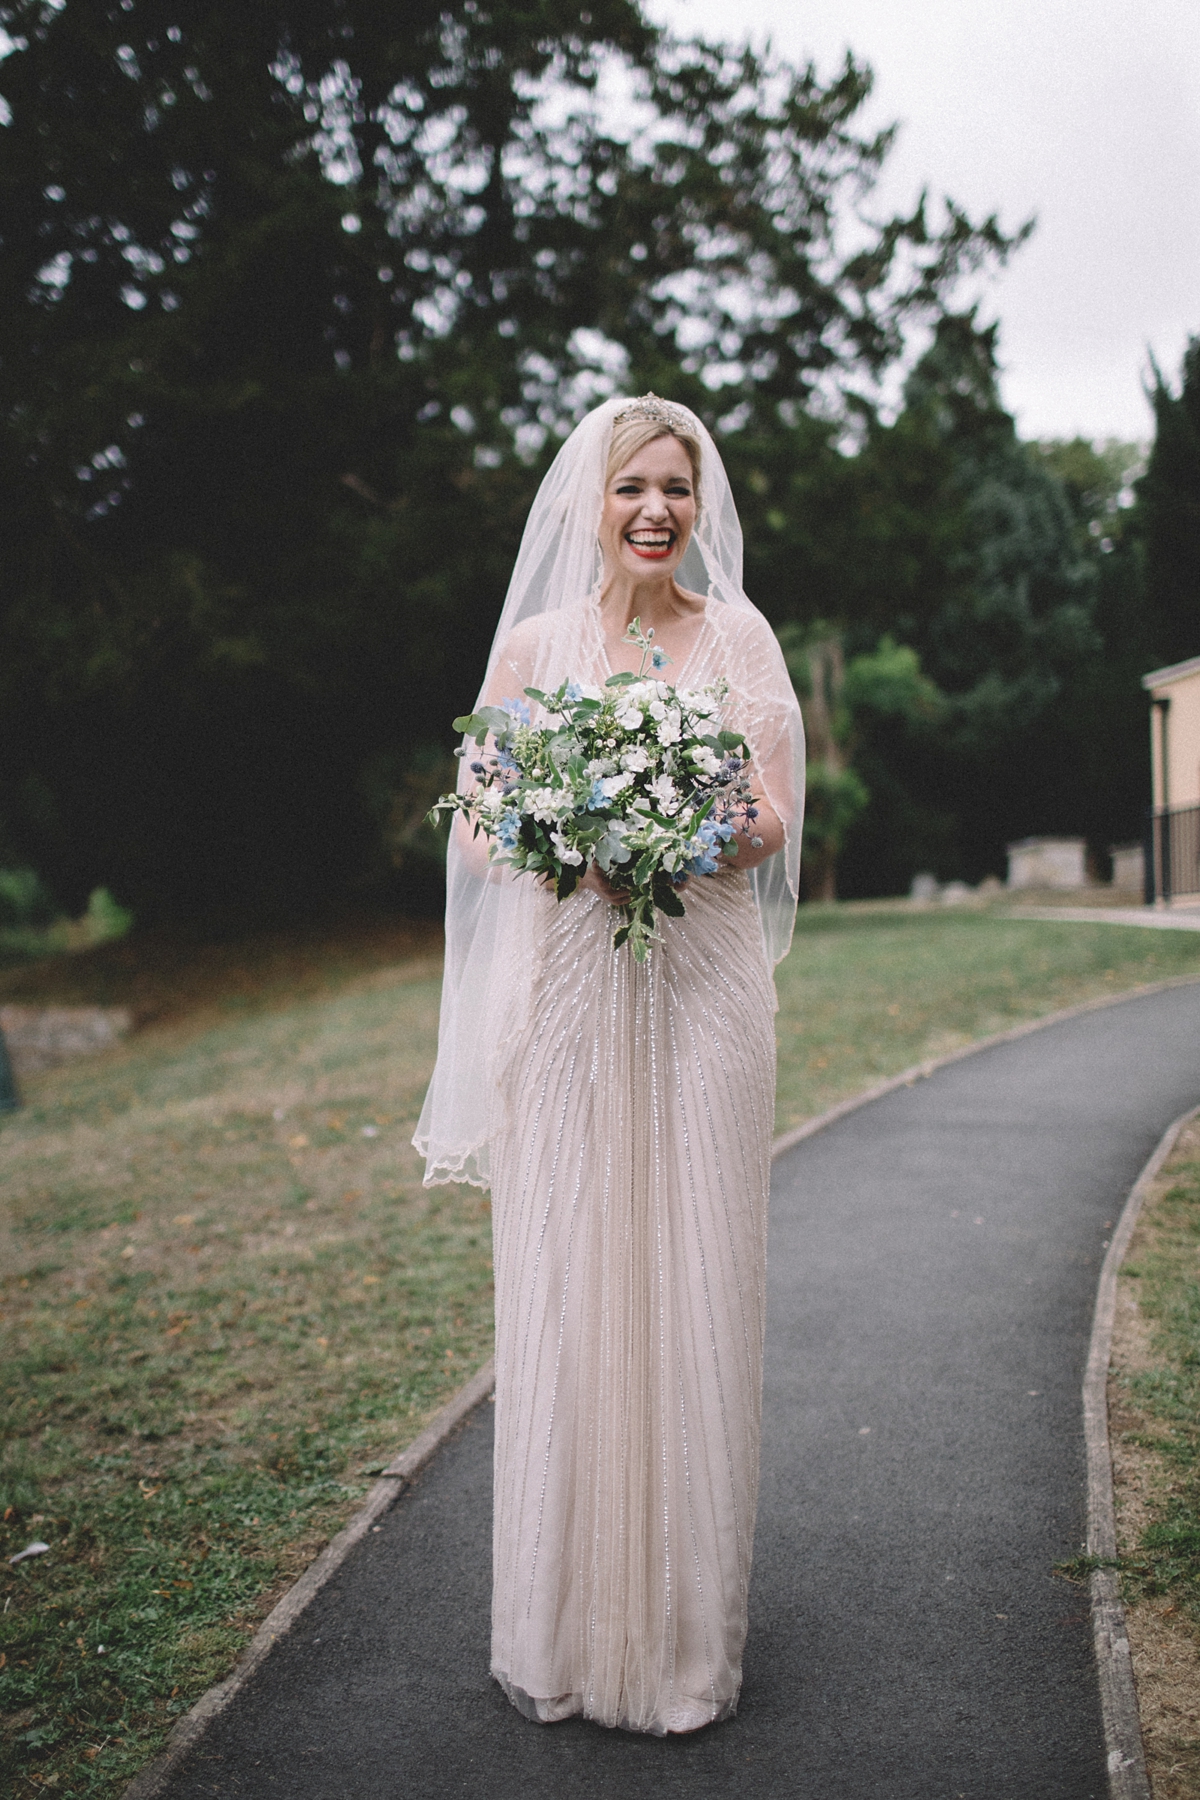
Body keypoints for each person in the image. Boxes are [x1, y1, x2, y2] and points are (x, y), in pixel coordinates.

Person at [414, 394, 805, 1735]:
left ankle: (685, 1636)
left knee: (696, 1274)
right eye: (632, 486)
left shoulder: (736, 637)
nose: (655, 509)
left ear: (700, 507)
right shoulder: (534, 649)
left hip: (701, 994)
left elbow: (771, 814)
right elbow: (474, 821)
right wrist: (562, 824)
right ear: (591, 502)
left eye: (676, 489)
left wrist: (674, 815)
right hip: (573, 997)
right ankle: (567, 1627)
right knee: (572, 1284)